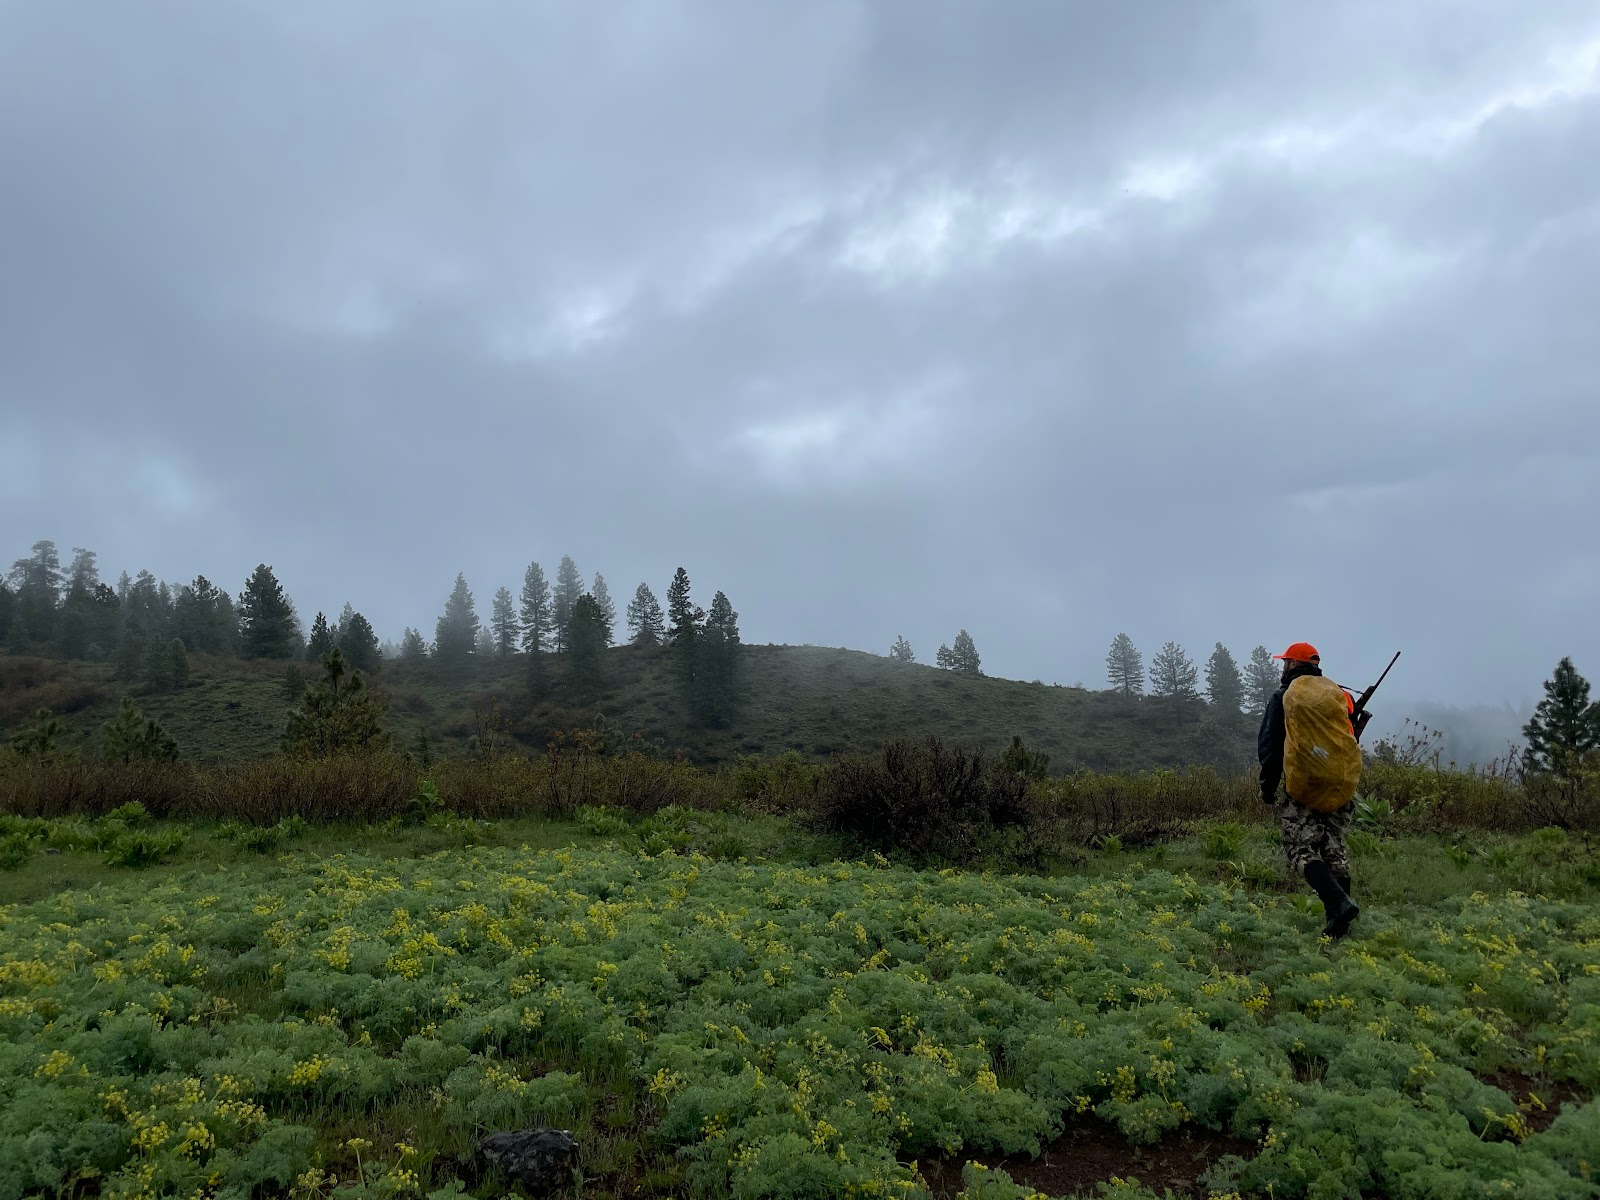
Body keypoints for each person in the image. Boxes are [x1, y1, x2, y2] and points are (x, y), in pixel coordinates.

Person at [1258, 642, 1361, 939]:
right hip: (1341, 781)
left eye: (1285, 661)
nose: (1283, 666)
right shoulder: (1338, 696)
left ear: (1292, 665)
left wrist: (1267, 787)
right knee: (1335, 850)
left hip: (1305, 783)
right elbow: (1348, 735)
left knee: (1299, 848)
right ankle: (1340, 927)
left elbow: (1270, 747)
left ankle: (1338, 903)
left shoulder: (1284, 698)